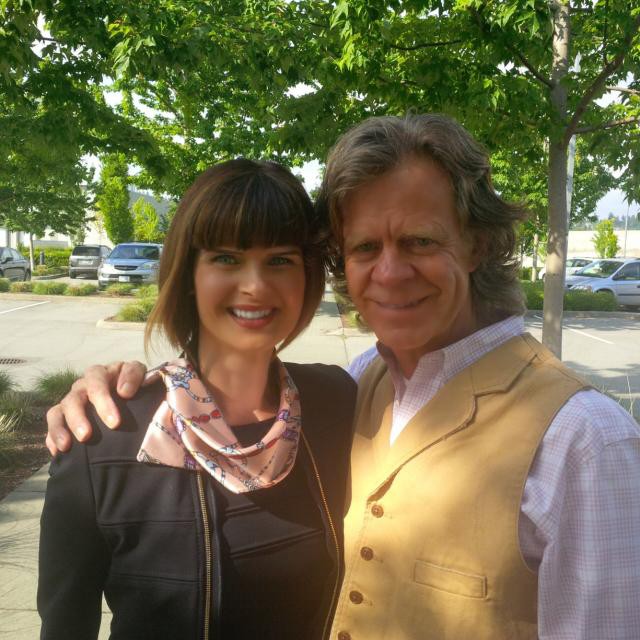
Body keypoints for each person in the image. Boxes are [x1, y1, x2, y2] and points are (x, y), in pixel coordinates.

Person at [46, 115, 640, 639]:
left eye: (420, 241)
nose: (390, 272)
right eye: (364, 247)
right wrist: (123, 387)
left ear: (477, 245)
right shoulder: (357, 387)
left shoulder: (585, 440)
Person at [38, 159, 356, 640]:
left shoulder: (337, 403)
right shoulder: (104, 438)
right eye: (226, 258)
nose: (255, 285)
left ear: (307, 277)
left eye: (280, 260)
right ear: (187, 273)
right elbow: (64, 626)